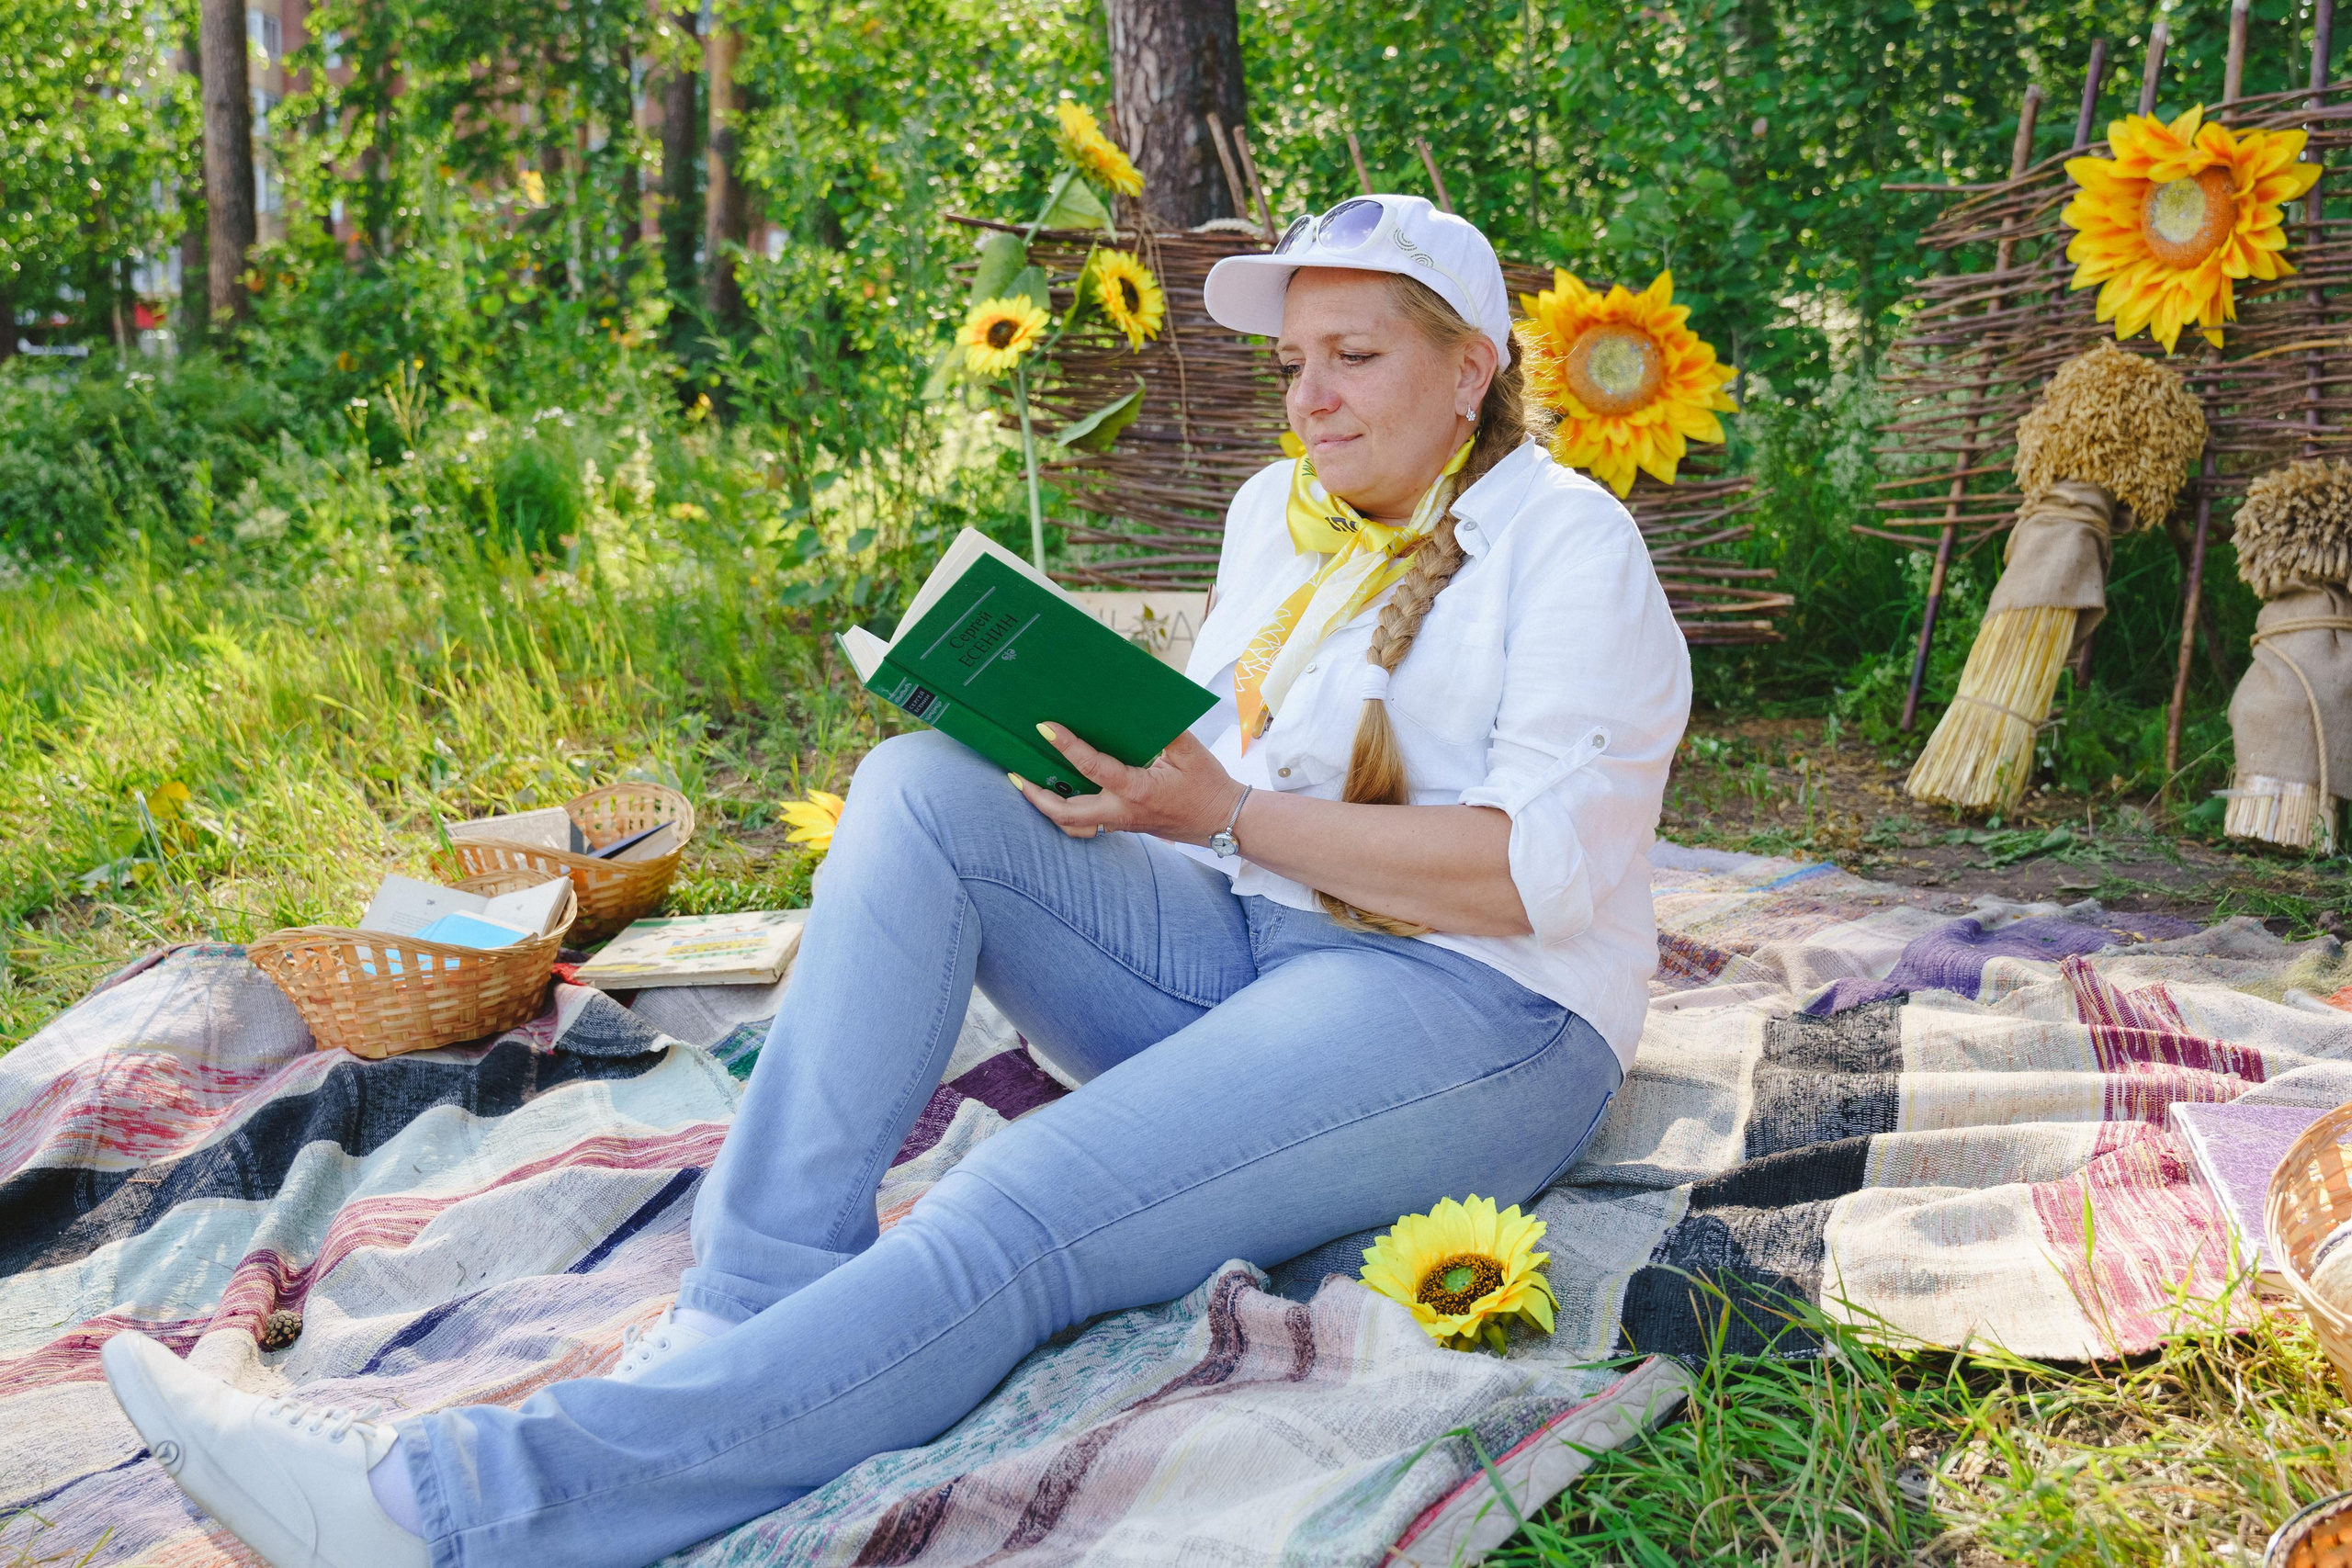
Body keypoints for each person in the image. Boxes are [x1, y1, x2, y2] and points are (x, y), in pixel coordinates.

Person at [100, 194, 1690, 1568]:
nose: (1312, 400)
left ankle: (456, 1515)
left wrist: (1219, 818)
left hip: (1477, 1013)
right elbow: (1210, 779)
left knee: (1022, 1200)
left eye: (1357, 358)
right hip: (1252, 953)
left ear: (1474, 367)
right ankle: (751, 1303)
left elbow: (1524, 877)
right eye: (1294, 363)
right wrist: (1092, 786)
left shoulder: (1568, 545)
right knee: (919, 792)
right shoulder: (1277, 523)